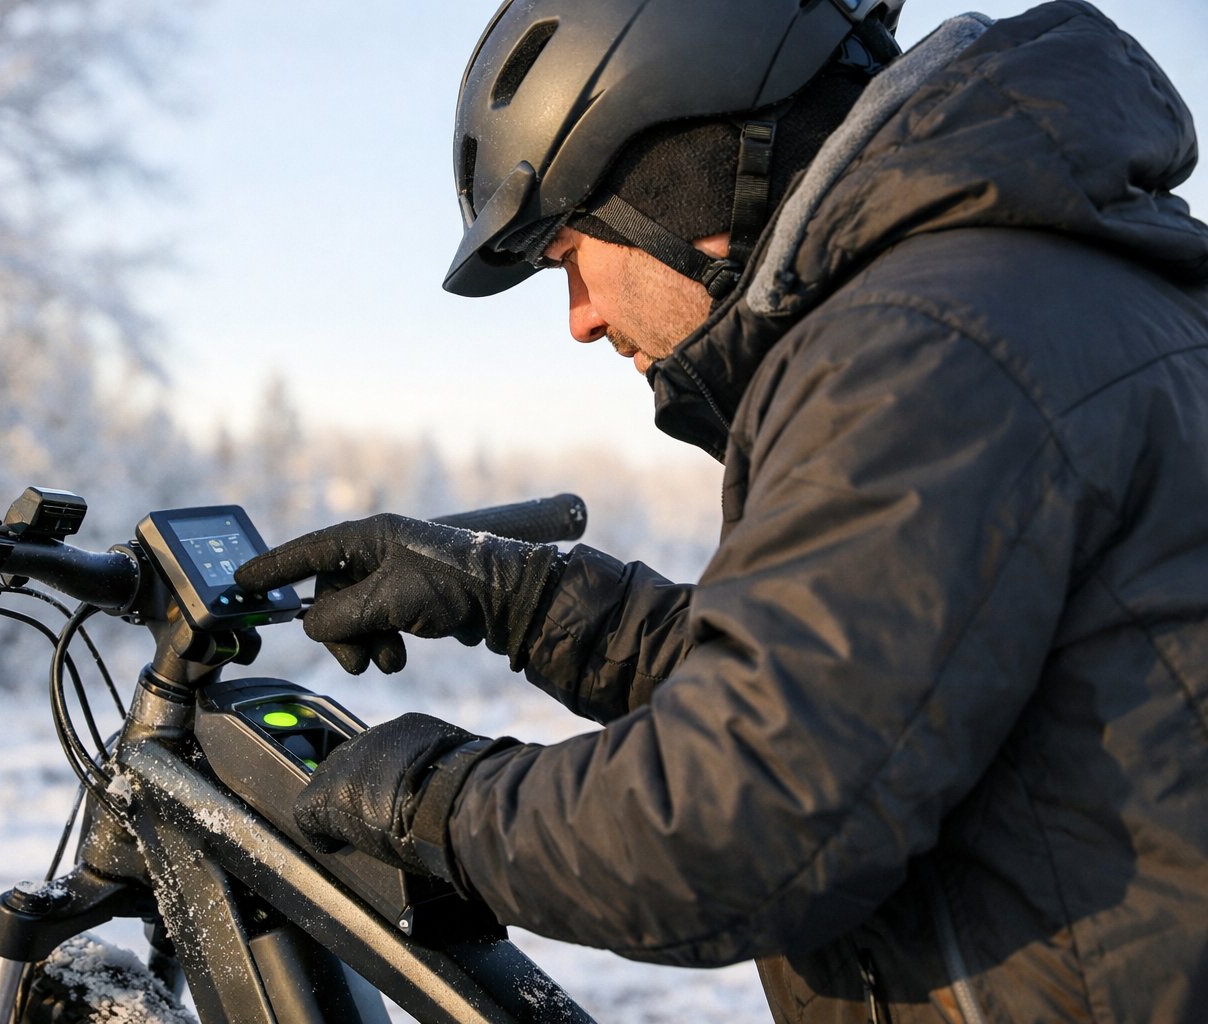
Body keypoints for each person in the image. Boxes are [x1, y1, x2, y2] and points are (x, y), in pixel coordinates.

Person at [236, 0, 1208, 1020]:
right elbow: (854, 697)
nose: (581, 321)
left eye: (568, 257)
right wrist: (519, 599)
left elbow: (741, 817)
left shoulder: (916, 344)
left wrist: (435, 799)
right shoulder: (1023, 288)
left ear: (678, 175)